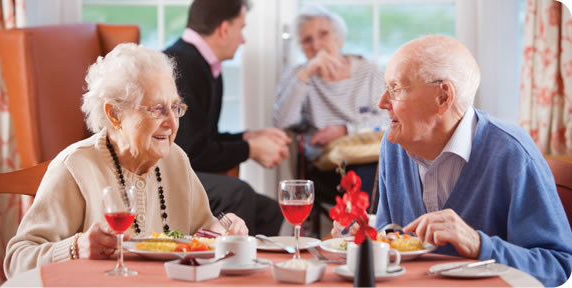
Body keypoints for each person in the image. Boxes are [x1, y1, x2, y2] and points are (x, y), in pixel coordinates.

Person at [332, 35, 572, 286]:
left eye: (396, 89)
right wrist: (364, 234)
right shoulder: (394, 147)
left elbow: (559, 267)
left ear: (443, 97)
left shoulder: (513, 155)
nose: (382, 102)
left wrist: (478, 244)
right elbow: (389, 242)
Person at [4, 43, 248, 278]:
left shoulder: (176, 160)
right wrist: (75, 248)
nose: (173, 123)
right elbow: (17, 260)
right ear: (115, 114)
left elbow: (203, 233)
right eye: (157, 109)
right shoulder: (74, 167)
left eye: (175, 107)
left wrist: (223, 229)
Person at [163, 0, 288, 236]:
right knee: (238, 193)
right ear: (224, 29)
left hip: (187, 168)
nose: (243, 39)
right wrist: (250, 149)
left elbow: (202, 137)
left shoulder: (202, 64)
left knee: (269, 210)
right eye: (241, 28)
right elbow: (193, 151)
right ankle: (231, 267)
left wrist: (248, 137)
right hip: (166, 175)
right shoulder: (180, 66)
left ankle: (255, 267)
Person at [273, 5, 387, 210]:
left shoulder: (369, 71)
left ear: (339, 38)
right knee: (361, 180)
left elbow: (388, 118)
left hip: (369, 154)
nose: (316, 45)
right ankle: (360, 236)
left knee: (374, 174)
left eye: (323, 34)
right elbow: (282, 122)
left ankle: (360, 234)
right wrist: (306, 74)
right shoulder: (298, 76)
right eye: (307, 40)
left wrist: (345, 129)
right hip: (327, 164)